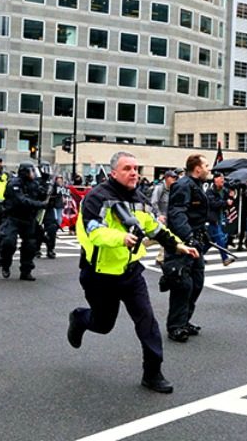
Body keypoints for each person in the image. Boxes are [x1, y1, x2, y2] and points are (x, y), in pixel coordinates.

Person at [67, 151, 198, 394]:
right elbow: (94, 231)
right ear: (114, 172)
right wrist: (121, 238)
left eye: (136, 168)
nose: (134, 172)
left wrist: (178, 245)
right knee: (103, 324)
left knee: (147, 323)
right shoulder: (97, 198)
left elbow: (155, 228)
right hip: (99, 275)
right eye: (127, 168)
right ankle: (79, 319)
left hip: (131, 275)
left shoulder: (139, 198)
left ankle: (152, 373)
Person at [165, 154, 210, 342]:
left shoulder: (197, 185)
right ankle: (175, 326)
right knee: (182, 285)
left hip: (195, 243)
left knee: (196, 284)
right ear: (197, 168)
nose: (209, 169)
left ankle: (184, 320)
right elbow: (177, 214)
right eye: (206, 165)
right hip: (183, 244)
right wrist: (188, 238)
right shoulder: (183, 185)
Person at [0, 162, 47, 280]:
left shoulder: (34, 184)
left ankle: (26, 271)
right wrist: (40, 204)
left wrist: (47, 189)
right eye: (31, 171)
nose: (33, 174)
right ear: (25, 172)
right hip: (13, 217)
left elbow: (40, 194)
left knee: (30, 245)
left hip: (28, 218)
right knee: (8, 242)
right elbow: (21, 200)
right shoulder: (14, 184)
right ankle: (5, 264)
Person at [150, 170, 178, 265]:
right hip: (160, 217)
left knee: (166, 236)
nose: (174, 180)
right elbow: (153, 202)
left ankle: (160, 258)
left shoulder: (172, 189)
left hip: (168, 217)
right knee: (155, 237)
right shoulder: (160, 188)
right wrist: (158, 215)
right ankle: (139, 244)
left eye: (175, 178)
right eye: (173, 178)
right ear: (167, 178)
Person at [206, 172, 234, 266]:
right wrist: (225, 202)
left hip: (221, 217)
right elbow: (213, 204)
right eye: (220, 178)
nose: (223, 180)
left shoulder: (224, 190)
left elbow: (229, 201)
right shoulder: (210, 191)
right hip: (212, 218)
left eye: (223, 178)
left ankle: (198, 255)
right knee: (220, 237)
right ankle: (225, 259)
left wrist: (231, 196)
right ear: (215, 180)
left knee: (211, 240)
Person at [35, 161, 60, 259]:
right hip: (38, 208)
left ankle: (50, 249)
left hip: (49, 208)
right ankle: (36, 249)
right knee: (37, 229)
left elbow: (57, 194)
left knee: (52, 228)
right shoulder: (36, 180)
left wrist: (51, 195)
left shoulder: (52, 181)